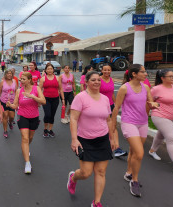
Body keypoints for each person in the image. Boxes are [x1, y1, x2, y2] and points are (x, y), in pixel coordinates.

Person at [66, 71, 116, 207]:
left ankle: (97, 202)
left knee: (101, 171)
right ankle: (73, 177)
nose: (97, 82)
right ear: (86, 82)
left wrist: (112, 138)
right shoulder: (81, 98)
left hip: (103, 139)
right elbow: (74, 119)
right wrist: (74, 139)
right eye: (93, 80)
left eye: (99, 80)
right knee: (86, 173)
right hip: (85, 140)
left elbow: (109, 120)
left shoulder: (105, 99)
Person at [111, 64, 159, 197]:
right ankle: (134, 180)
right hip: (129, 123)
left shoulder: (146, 87)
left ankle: (128, 173)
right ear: (134, 74)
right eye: (143, 72)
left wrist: (155, 105)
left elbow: (150, 103)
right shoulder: (124, 88)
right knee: (139, 153)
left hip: (142, 122)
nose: (145, 74)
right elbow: (117, 107)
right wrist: (113, 124)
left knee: (133, 151)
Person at [7, 72, 46, 173]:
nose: (21, 81)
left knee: (30, 137)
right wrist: (10, 105)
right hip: (22, 115)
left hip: (34, 116)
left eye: (23, 79)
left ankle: (26, 148)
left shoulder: (36, 89)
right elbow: (15, 105)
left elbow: (43, 101)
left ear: (29, 80)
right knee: (24, 138)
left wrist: (32, 96)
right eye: (21, 79)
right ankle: (27, 163)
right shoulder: (19, 91)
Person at [100, 65, 128, 157]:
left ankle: (117, 148)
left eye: (108, 70)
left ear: (111, 71)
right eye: (105, 70)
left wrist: (116, 104)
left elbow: (111, 93)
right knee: (102, 127)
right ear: (102, 70)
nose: (107, 71)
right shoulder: (98, 80)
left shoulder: (111, 80)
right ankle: (102, 146)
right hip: (100, 106)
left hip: (111, 106)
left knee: (113, 126)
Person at [39, 64, 64, 138]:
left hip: (55, 99)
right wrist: (39, 99)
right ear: (45, 70)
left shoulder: (57, 78)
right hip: (45, 99)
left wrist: (63, 99)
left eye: (51, 69)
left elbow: (61, 89)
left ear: (53, 70)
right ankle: (45, 129)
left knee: (52, 115)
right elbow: (39, 90)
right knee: (47, 114)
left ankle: (50, 129)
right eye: (48, 69)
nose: (49, 70)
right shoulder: (43, 79)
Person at [0, 69, 18, 138]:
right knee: (5, 116)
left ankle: (10, 123)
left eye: (10, 73)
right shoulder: (2, 82)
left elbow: (16, 92)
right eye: (8, 73)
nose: (9, 75)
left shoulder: (14, 81)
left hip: (12, 102)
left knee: (12, 116)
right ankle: (5, 130)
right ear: (5, 75)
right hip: (4, 101)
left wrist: (17, 101)